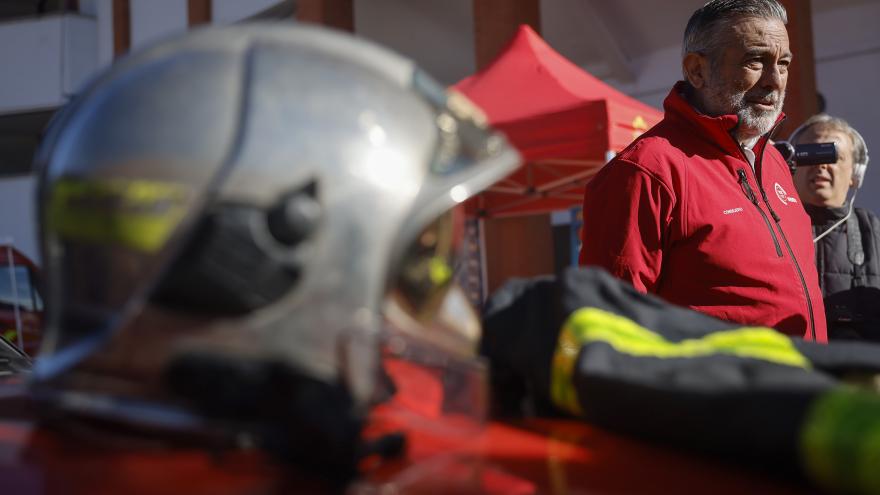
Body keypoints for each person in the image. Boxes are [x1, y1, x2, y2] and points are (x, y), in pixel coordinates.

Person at [578, 0, 827, 342]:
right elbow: (610, 327)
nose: (774, 80)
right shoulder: (645, 171)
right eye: (755, 61)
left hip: (804, 389)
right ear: (697, 70)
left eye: (783, 64)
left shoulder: (773, 162)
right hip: (715, 393)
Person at [789, 114, 878, 339]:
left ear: (855, 174)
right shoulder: (767, 225)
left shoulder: (874, 232)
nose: (821, 164)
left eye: (832, 155)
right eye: (810, 154)